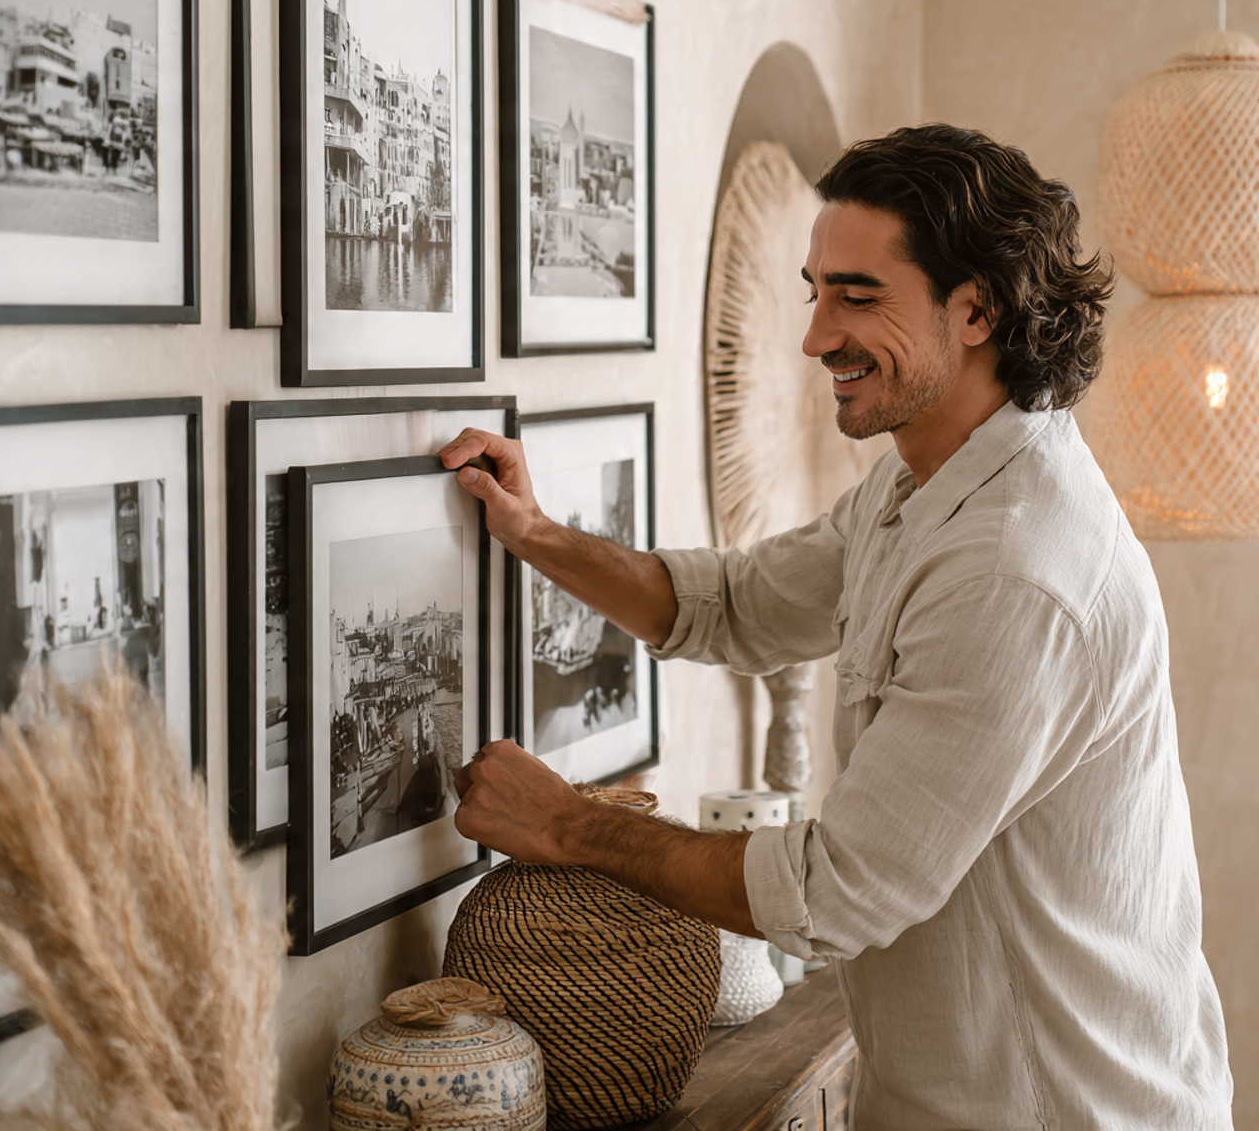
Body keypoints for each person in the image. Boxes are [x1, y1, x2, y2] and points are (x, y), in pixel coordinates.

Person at [440, 125, 1233, 1130]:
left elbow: (834, 890)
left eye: (855, 295)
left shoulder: (1014, 568)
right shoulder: (919, 481)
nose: (815, 335)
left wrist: (565, 822)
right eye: (814, 291)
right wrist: (535, 531)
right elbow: (730, 604)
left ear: (975, 308)